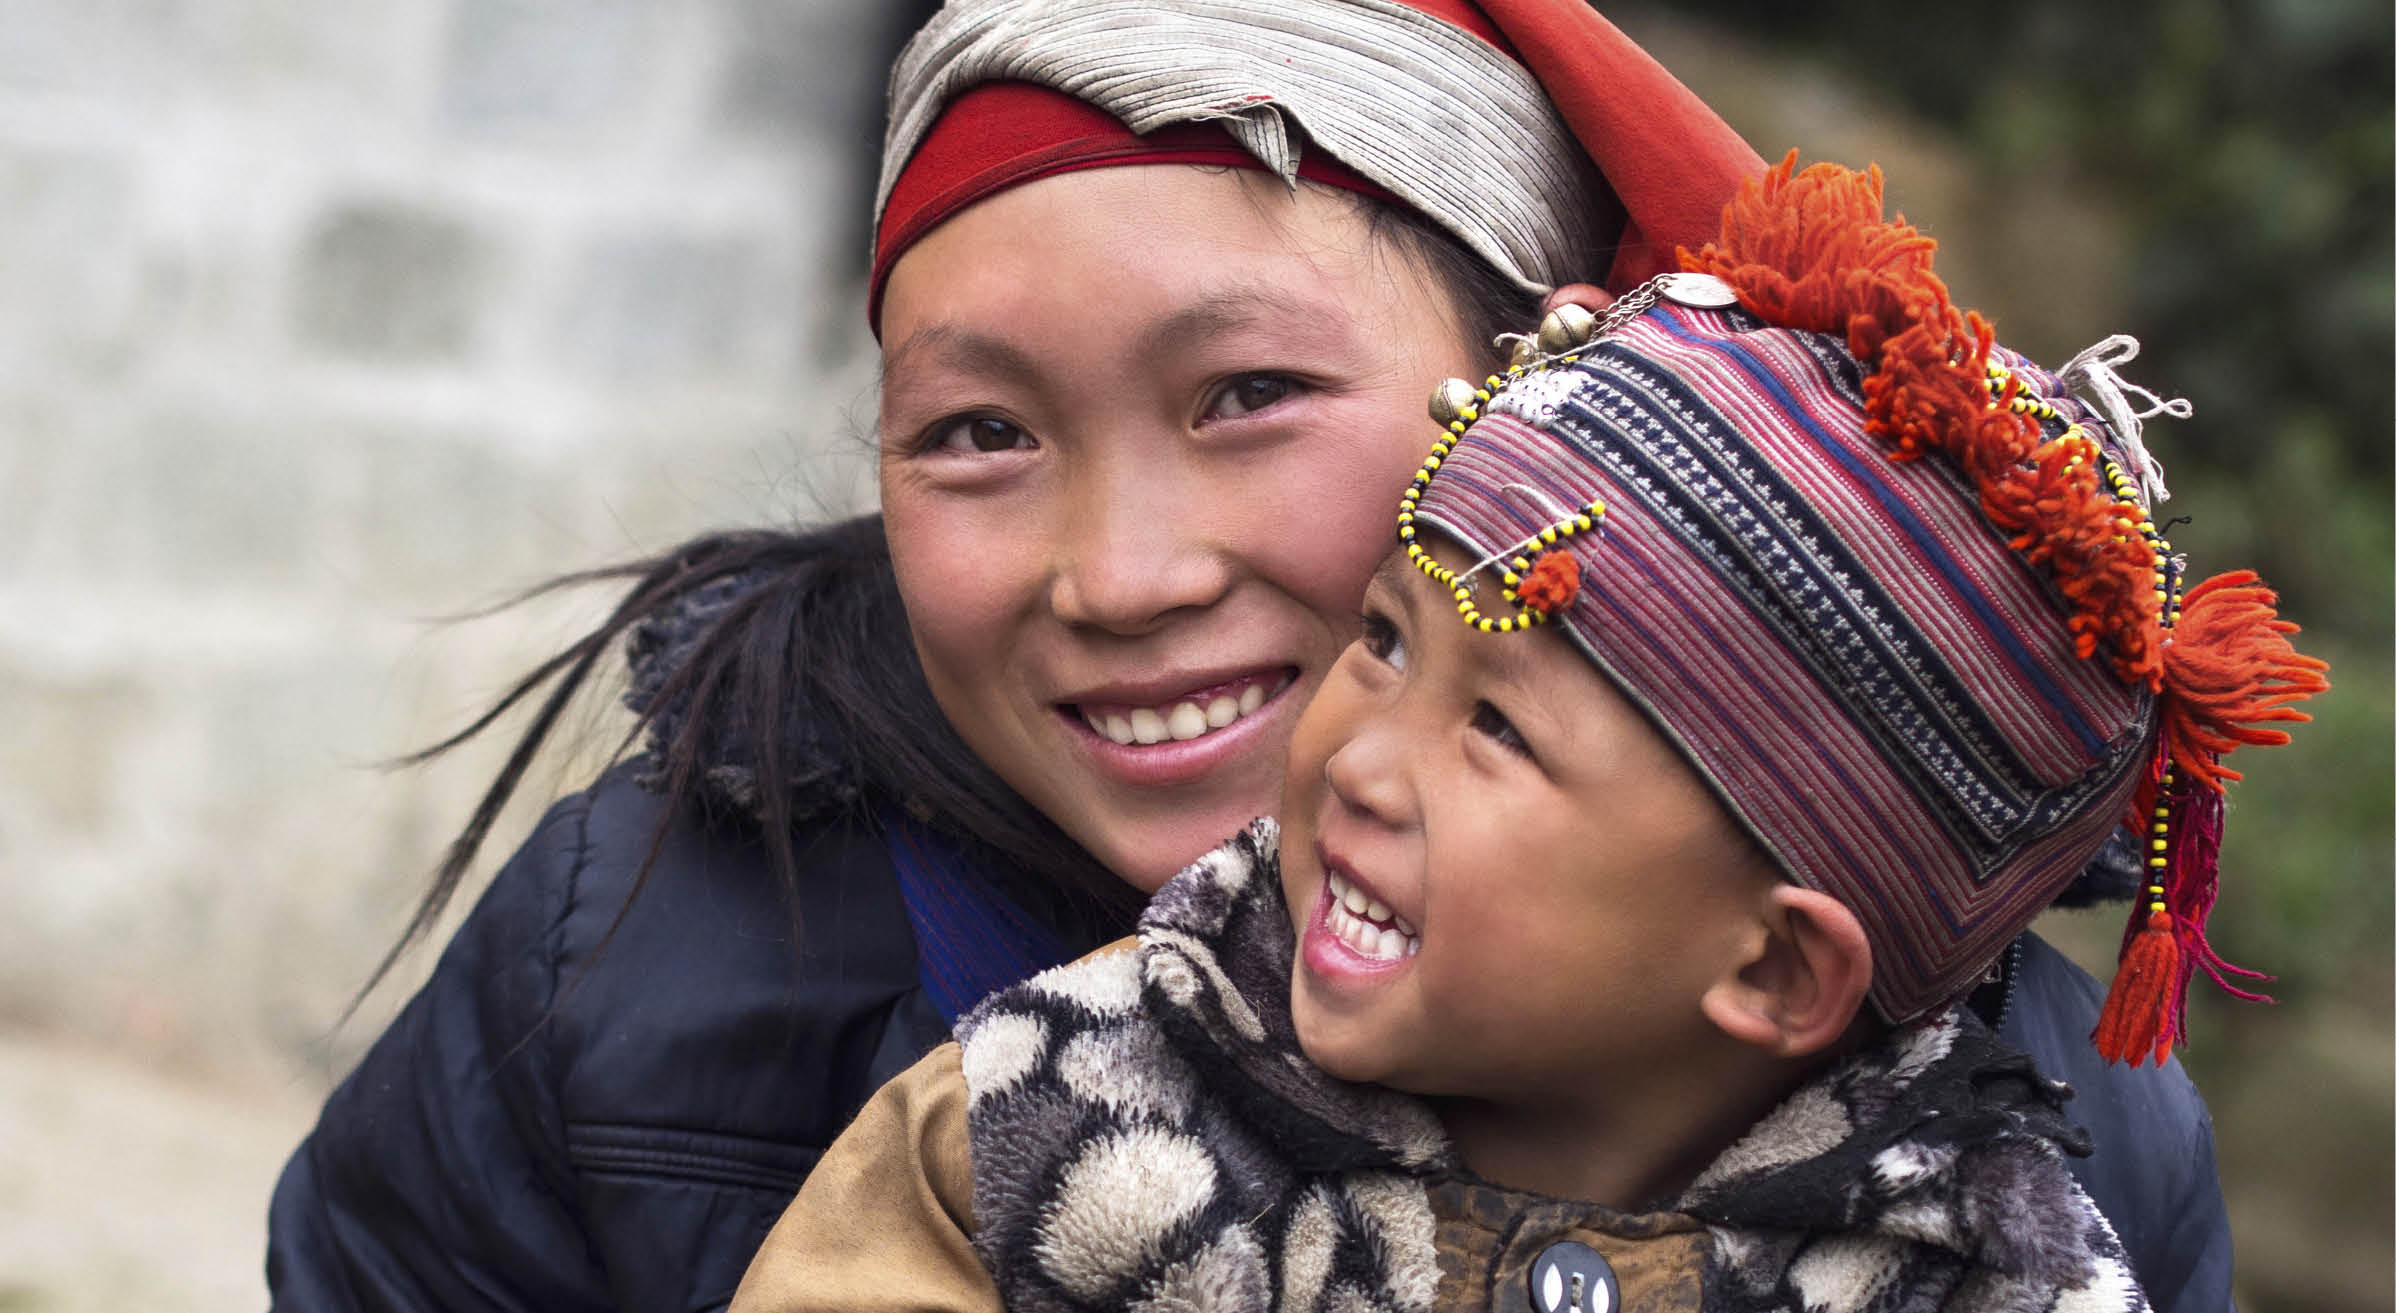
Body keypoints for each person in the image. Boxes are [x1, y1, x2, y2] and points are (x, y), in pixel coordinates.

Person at [266, 4, 2239, 1310]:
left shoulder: (2026, 1128)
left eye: (1248, 396)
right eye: (976, 434)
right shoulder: (629, 979)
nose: (1116, 576)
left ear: (1546, 390)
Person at [730, 157, 2327, 1313]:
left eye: (1494, 727)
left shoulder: (1983, 1273)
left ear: (1773, 969)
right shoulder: (1055, 1110)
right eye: (1381, 639)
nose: (1353, 751)